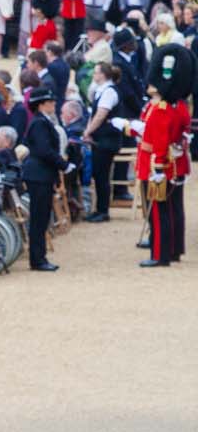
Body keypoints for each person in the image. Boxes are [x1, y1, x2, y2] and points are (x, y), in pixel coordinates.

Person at [127, 42, 192, 266]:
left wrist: (157, 168)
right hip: (169, 164)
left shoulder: (162, 109)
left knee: (158, 212)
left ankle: (159, 254)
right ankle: (172, 249)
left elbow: (160, 142)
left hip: (159, 165)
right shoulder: (176, 106)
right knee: (172, 210)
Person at [19, 85, 65, 272]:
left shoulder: (43, 121)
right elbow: (43, 150)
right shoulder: (39, 123)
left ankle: (39, 257)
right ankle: (37, 259)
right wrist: (62, 164)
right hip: (38, 174)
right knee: (39, 218)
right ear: (40, 105)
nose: (53, 104)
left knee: (42, 217)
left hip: (42, 174)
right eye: (49, 102)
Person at [80, 60, 129, 221]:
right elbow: (94, 115)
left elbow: (101, 115)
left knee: (102, 174)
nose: (94, 75)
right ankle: (99, 208)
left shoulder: (109, 91)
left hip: (107, 139)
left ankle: (103, 210)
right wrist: (88, 132)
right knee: (98, 173)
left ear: (103, 75)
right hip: (100, 138)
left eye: (96, 72)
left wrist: (88, 131)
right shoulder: (101, 90)